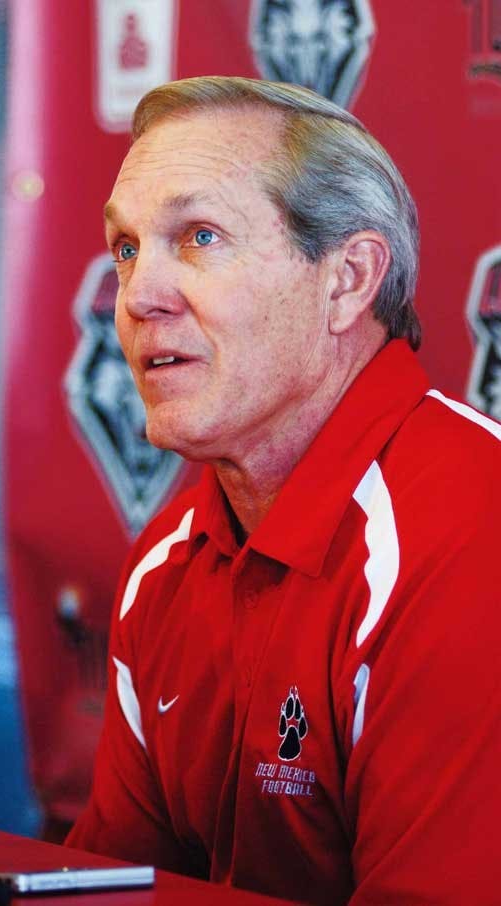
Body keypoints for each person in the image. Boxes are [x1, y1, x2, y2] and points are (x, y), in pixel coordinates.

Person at [66, 76, 501, 905]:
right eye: (126, 248)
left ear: (346, 280)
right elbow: (105, 889)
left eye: (197, 237)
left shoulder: (472, 528)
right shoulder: (165, 560)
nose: (136, 296)